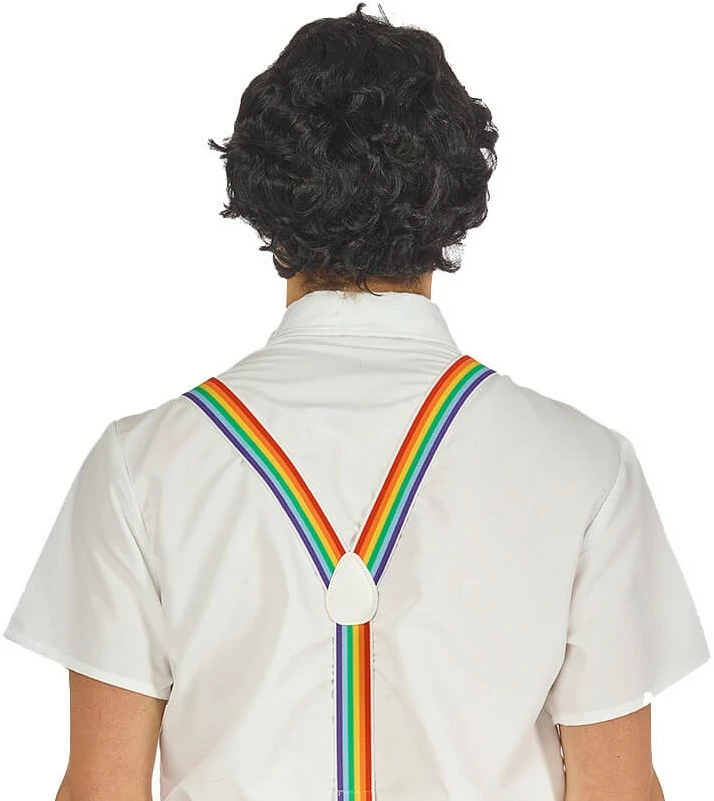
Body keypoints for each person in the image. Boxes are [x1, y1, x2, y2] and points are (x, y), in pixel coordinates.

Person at [3, 4, 709, 801]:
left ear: (266, 204)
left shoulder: (141, 468)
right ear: (456, 205)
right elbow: (618, 789)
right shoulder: (586, 469)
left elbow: (101, 790)